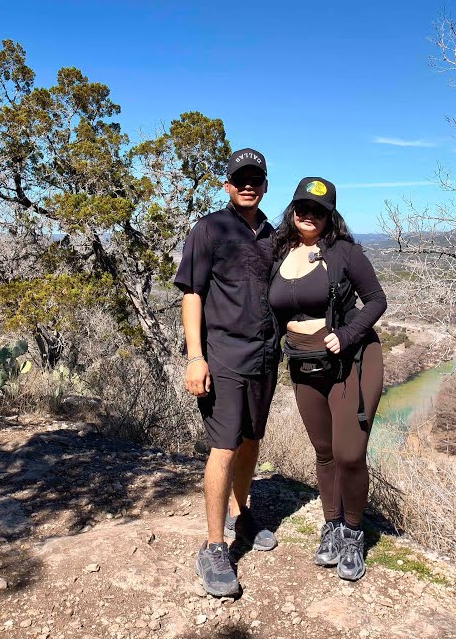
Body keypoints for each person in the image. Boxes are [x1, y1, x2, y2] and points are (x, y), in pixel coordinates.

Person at [174, 147, 281, 597]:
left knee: (252, 439)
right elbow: (192, 293)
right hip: (222, 356)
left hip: (265, 357)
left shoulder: (273, 235)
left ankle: (244, 512)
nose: (247, 184)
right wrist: (195, 356)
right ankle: (214, 546)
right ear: (227, 184)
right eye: (239, 178)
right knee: (224, 445)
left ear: (265, 184)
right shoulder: (209, 228)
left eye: (255, 177)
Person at [269, 177, 386, 581]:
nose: (308, 215)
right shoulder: (279, 252)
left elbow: (376, 300)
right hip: (304, 365)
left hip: (351, 360)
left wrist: (348, 334)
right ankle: (332, 525)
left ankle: (354, 533)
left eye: (318, 210)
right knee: (324, 453)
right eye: (302, 208)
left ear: (330, 215)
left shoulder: (345, 253)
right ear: (292, 210)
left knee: (350, 453)